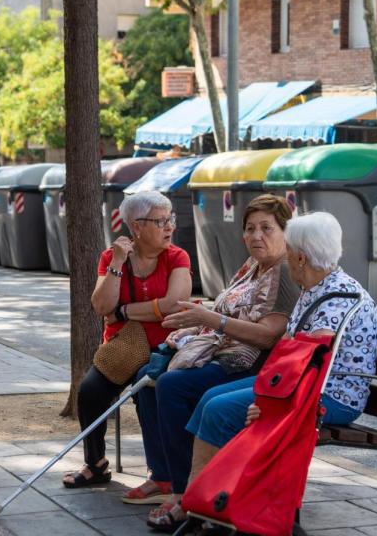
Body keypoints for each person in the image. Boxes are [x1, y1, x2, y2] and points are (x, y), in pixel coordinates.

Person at [151, 212, 377, 530]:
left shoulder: (337, 301)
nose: (286, 258)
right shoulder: (316, 288)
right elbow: (290, 354)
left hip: (330, 395)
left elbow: (310, 367)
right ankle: (205, 502)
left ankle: (202, 506)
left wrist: (266, 402)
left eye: (288, 251)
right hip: (303, 384)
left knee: (219, 409)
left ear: (300, 257)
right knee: (209, 399)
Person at [127, 196, 299, 525]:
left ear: (285, 231)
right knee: (145, 377)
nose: (256, 236)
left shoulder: (286, 272)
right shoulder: (251, 267)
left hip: (251, 364)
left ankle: (183, 491)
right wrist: (196, 318)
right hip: (220, 350)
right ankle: (163, 474)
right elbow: (224, 309)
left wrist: (210, 319)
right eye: (250, 229)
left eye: (267, 228)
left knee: (172, 385)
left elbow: (267, 335)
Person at [62, 191, 192, 489]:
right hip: (124, 348)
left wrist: (125, 311)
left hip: (166, 347)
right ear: (136, 226)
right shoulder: (112, 257)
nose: (170, 226)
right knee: (91, 391)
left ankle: (158, 469)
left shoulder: (176, 256)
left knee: (150, 390)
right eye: (161, 221)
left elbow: (175, 303)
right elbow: (100, 306)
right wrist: (118, 262)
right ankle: (95, 464)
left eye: (170, 219)